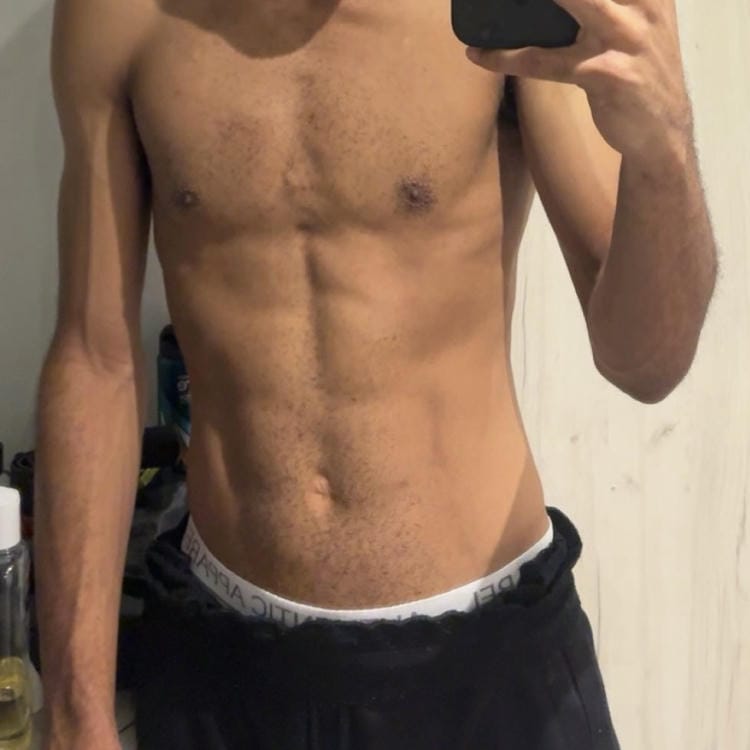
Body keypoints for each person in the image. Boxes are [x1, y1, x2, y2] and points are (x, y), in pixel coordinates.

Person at [33, 0, 718, 748]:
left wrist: (664, 149)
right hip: (224, 660)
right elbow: (95, 358)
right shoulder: (118, 14)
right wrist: (75, 712)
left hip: (487, 659)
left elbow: (645, 363)